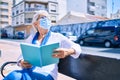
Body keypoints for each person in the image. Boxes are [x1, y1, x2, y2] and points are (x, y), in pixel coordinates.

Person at [3, 10, 82, 80]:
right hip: (28, 71)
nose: (46, 20)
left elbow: (77, 47)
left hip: (46, 74)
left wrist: (68, 51)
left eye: (48, 18)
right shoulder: (31, 38)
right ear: (36, 24)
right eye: (43, 18)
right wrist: (22, 62)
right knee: (14, 76)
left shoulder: (58, 37)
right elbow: (22, 56)